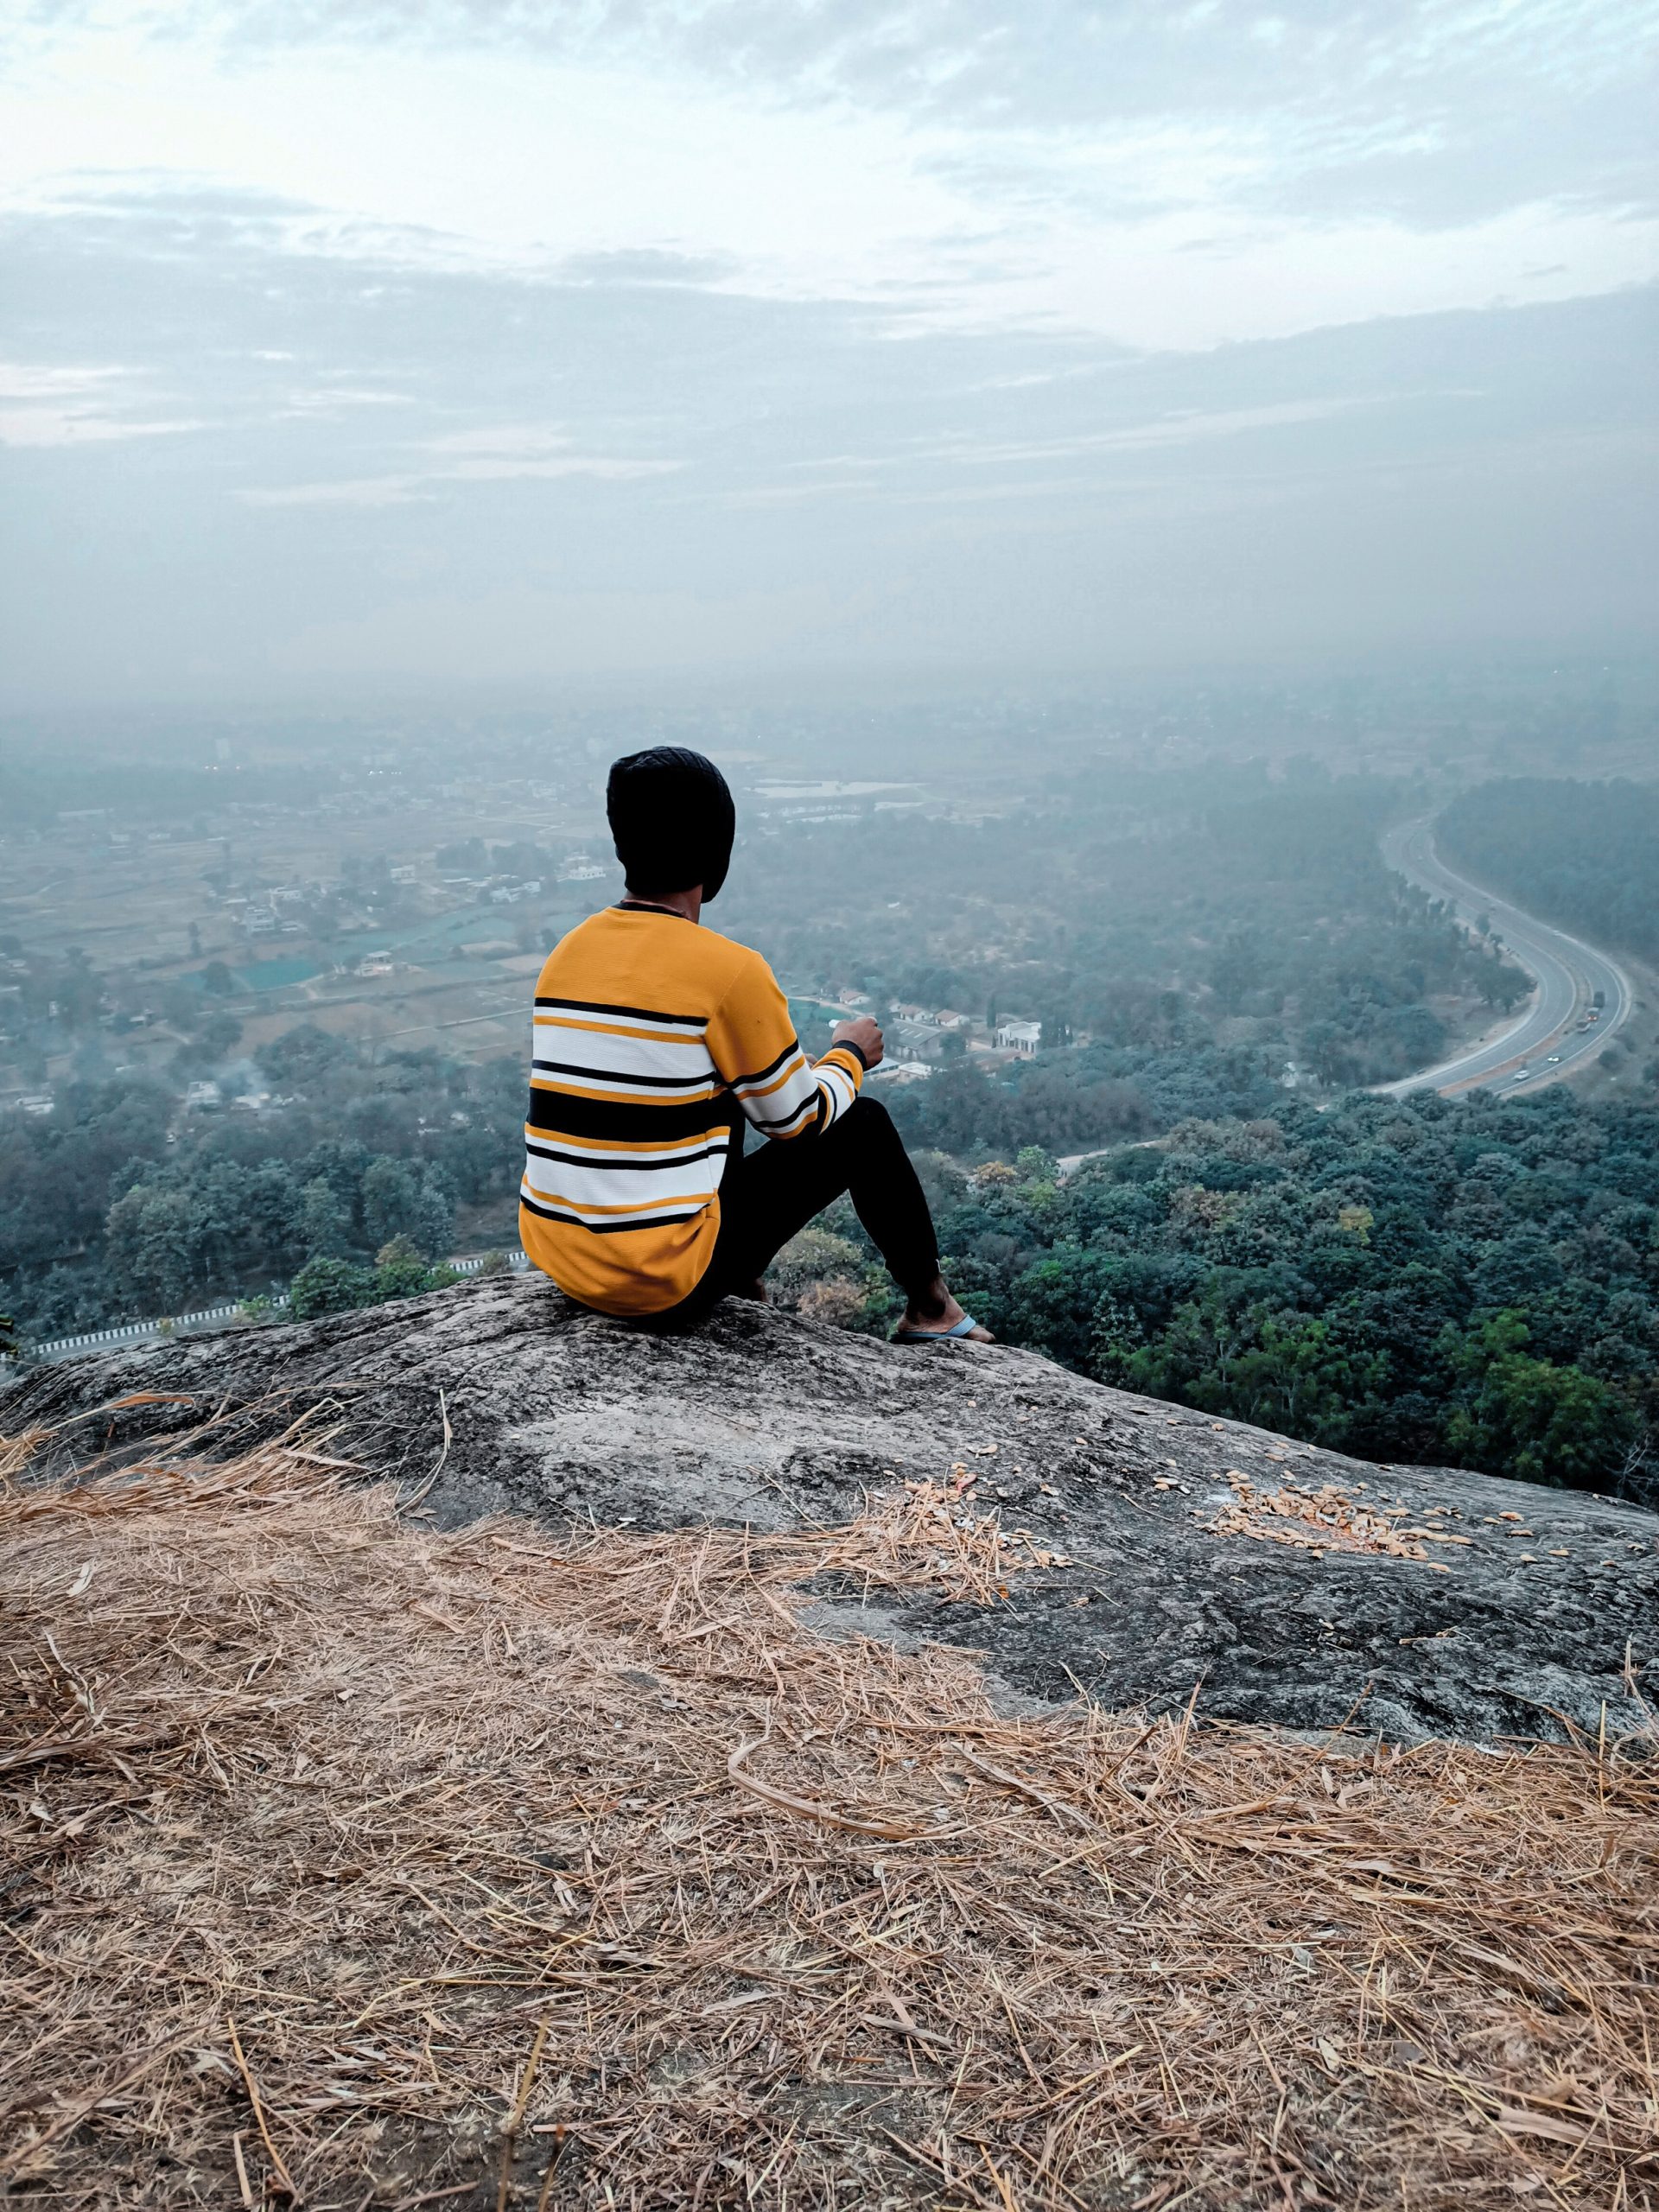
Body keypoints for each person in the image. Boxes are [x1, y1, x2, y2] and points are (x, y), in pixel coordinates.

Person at [519, 747, 990, 1341]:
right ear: (719, 852)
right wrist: (848, 1054)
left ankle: (741, 1279)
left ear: (622, 846)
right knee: (862, 1124)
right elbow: (797, 1121)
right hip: (660, 1284)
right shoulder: (728, 971)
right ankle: (932, 1310)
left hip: (563, 1263)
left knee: (711, 1086)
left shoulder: (568, 955)